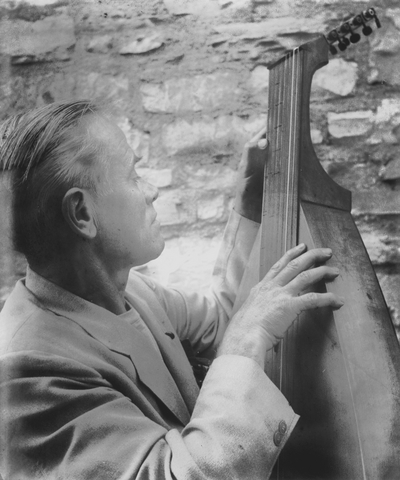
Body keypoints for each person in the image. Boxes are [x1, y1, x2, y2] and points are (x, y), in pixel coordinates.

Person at [0, 100, 343, 479]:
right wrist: (247, 340)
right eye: (133, 175)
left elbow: (227, 320)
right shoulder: (25, 376)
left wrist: (248, 202)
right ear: (82, 214)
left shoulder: (132, 292)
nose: (153, 191)